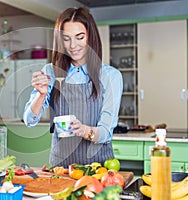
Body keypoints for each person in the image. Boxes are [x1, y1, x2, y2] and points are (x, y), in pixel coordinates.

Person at [23, 7, 123, 168]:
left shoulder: (110, 76)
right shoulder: (50, 71)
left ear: (91, 38)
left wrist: (83, 130)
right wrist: (40, 95)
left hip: (99, 169)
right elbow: (29, 120)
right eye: (66, 38)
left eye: (79, 37)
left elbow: (106, 133)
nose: (73, 45)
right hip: (61, 168)